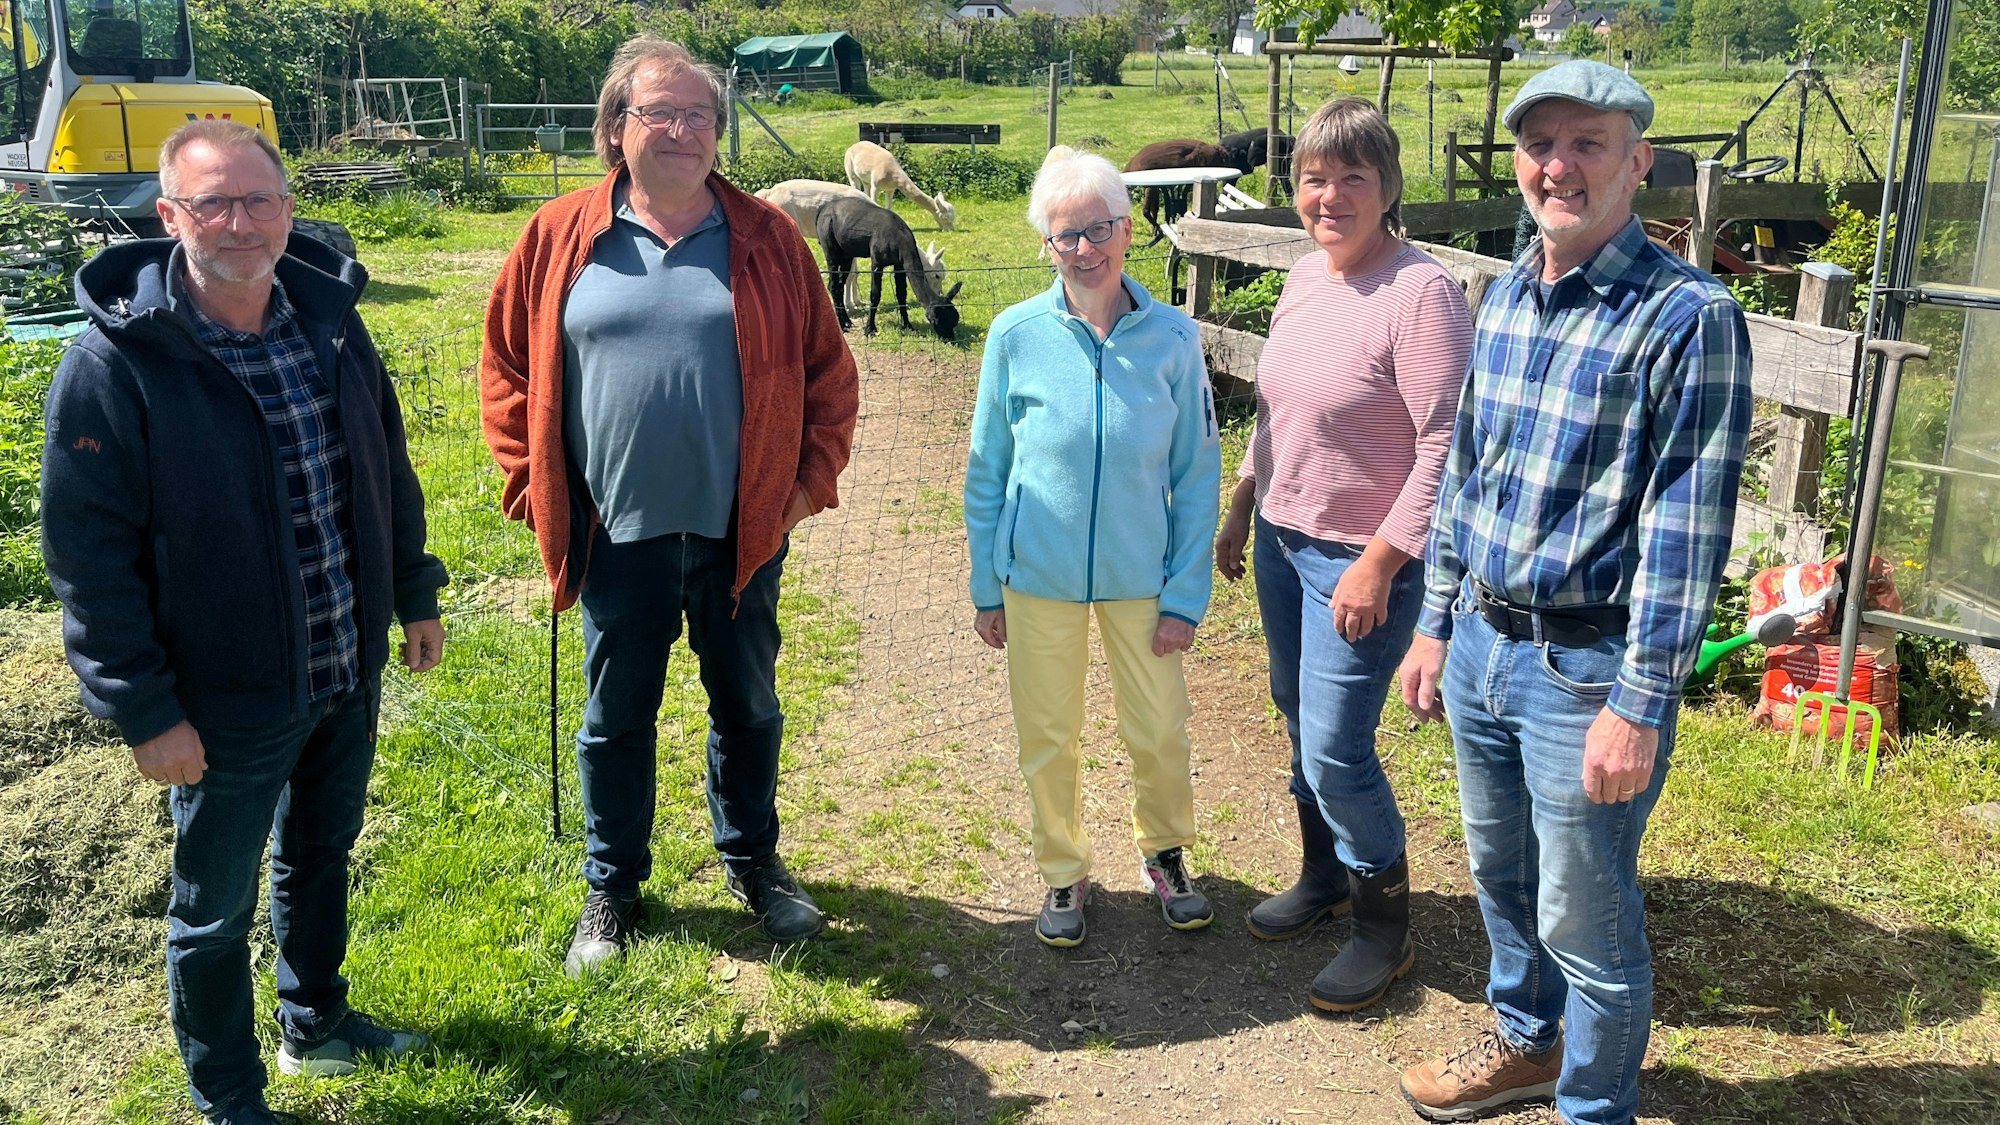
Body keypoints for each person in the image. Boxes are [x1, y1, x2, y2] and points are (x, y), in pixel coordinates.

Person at [40, 119, 448, 1125]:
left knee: (320, 851)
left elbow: (382, 470)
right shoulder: (116, 363)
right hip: (222, 698)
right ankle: (228, 1096)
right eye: (211, 203)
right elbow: (88, 557)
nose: (239, 223)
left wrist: (414, 592)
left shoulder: (330, 323)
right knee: (211, 909)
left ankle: (316, 1020)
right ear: (168, 216)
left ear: (288, 211)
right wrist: (143, 708)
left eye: (258, 200)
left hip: (342, 663)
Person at [1395, 61, 1752, 1125]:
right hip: (1480, 648)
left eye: (1586, 143)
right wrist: (1432, 623)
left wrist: (1639, 702)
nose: (1558, 166)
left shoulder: (1686, 317)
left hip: (1583, 669)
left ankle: (1592, 1107)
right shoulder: (1504, 296)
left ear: (1636, 163)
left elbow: (1686, 532)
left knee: (1584, 914)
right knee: (1501, 881)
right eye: (1538, 144)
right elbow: (1466, 474)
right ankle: (1525, 1045)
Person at [480, 36, 859, 972]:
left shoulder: (768, 240)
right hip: (615, 535)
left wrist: (799, 493)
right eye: (660, 112)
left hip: (741, 534)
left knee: (749, 708)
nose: (684, 130)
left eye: (700, 115)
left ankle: (755, 862)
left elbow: (828, 376)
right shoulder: (560, 235)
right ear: (617, 128)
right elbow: (506, 369)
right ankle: (613, 884)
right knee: (616, 719)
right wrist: (537, 487)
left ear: (718, 135)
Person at [1213, 98, 1473, 1013]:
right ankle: (1323, 875)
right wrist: (1244, 502)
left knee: (1336, 746)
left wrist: (1379, 563)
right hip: (1284, 542)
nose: (1330, 196)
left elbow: (1445, 445)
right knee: (1296, 717)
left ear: (1389, 187)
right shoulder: (1305, 280)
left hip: (1359, 559)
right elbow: (1277, 410)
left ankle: (1381, 928)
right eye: (1314, 179)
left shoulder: (1421, 294)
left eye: (1352, 177)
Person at [964, 146, 1222, 948]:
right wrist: (985, 582)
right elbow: (985, 469)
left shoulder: (1174, 338)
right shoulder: (1014, 335)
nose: (1084, 249)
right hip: (1035, 575)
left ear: (1129, 229)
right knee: (1047, 732)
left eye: (1099, 229)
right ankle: (1064, 869)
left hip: (1141, 578)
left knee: (1158, 727)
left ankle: (1167, 853)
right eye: (1065, 234)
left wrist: (1185, 594)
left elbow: (1199, 474)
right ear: (1046, 243)